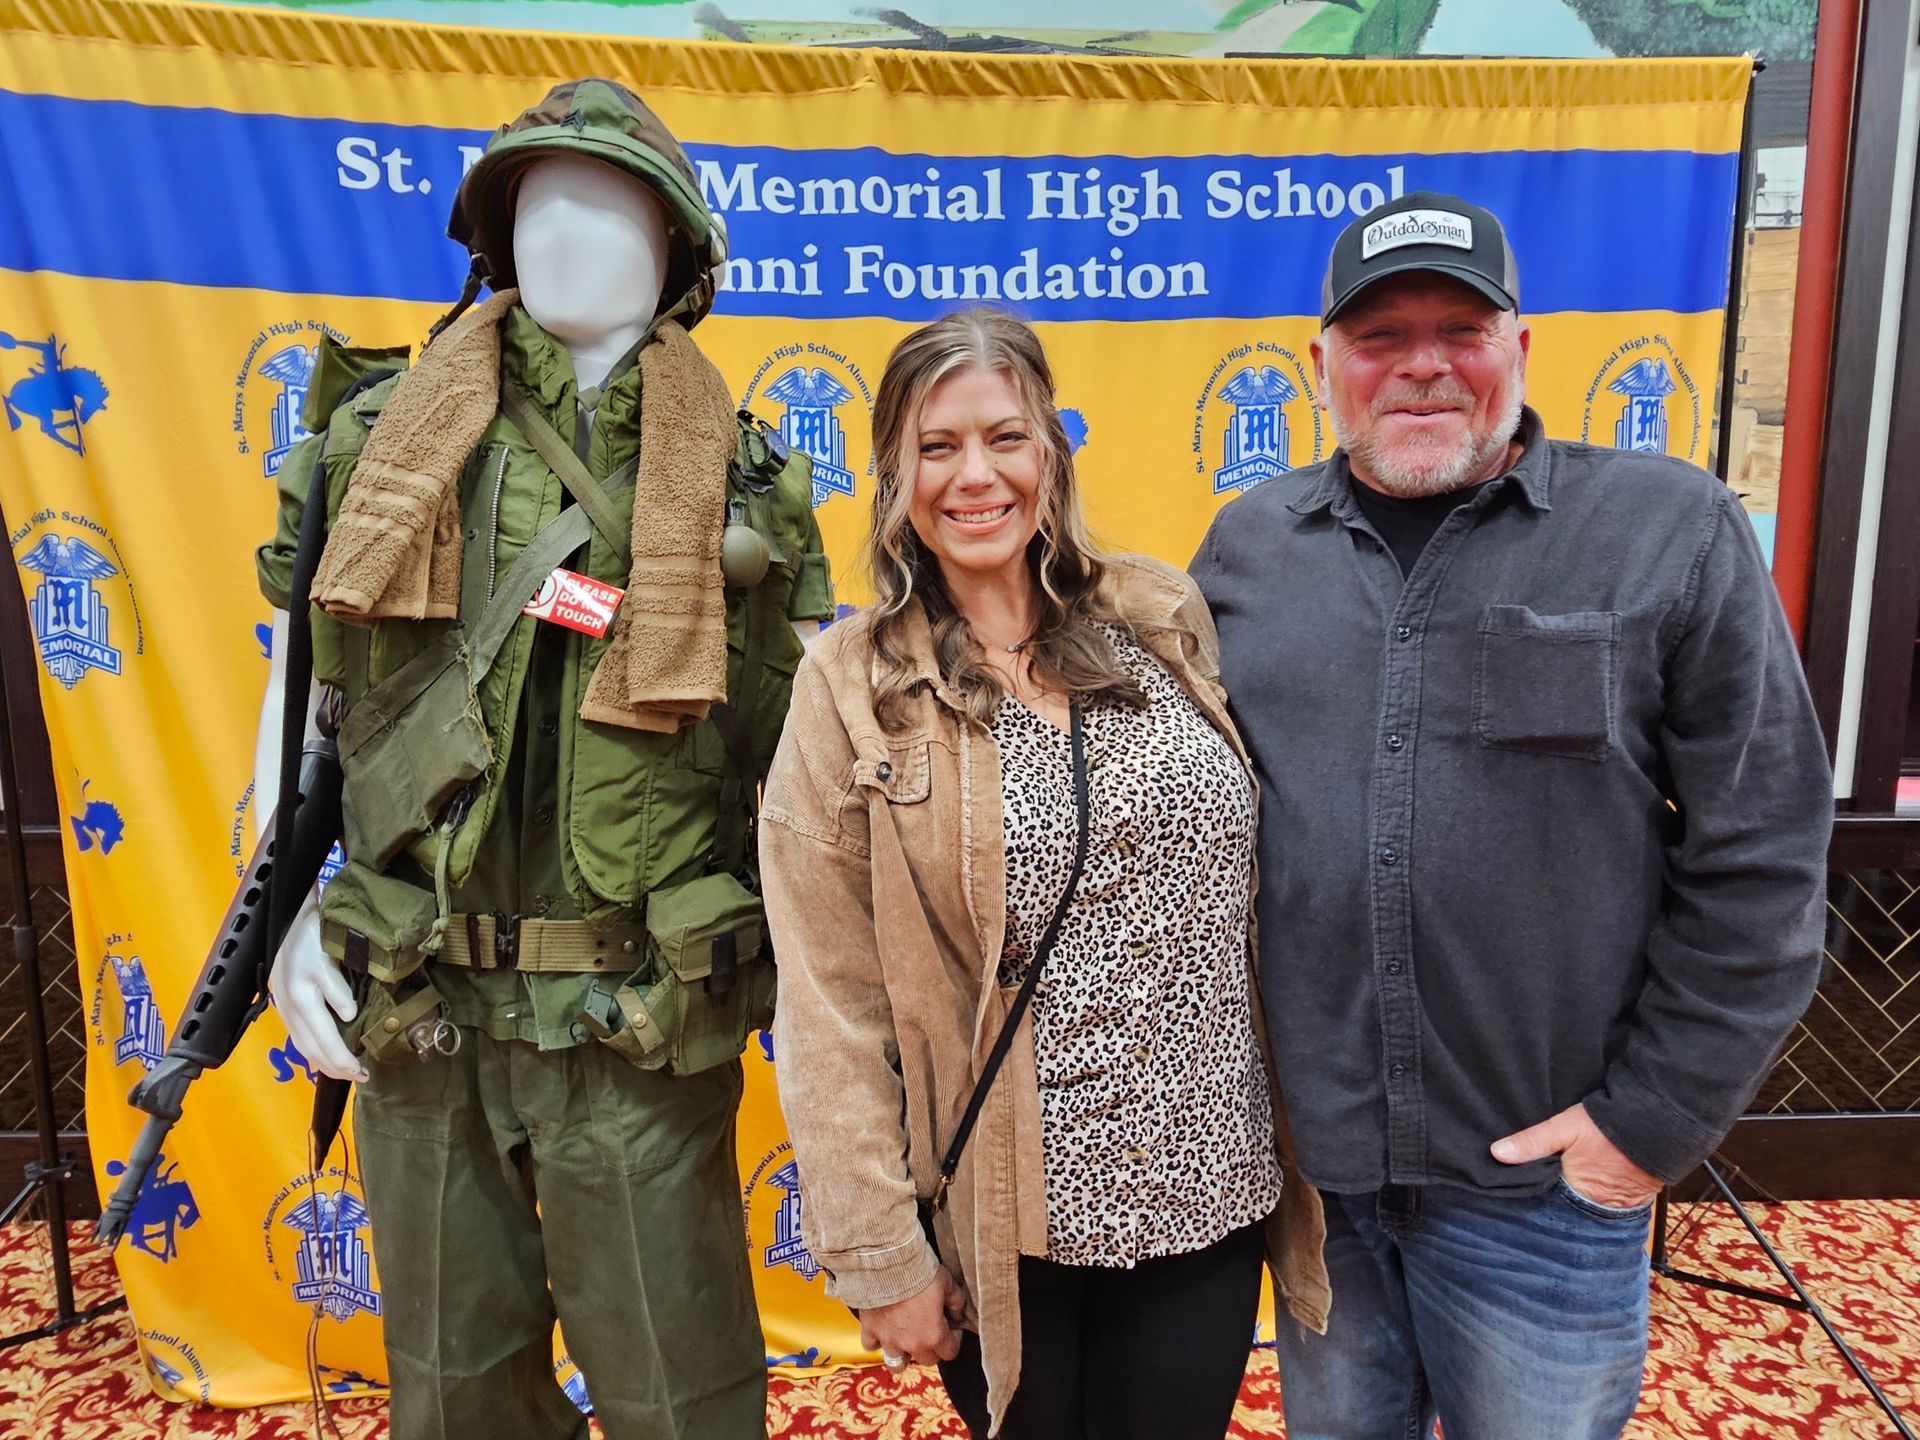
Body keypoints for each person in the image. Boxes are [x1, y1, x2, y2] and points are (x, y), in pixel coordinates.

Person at [1189, 191, 1833, 1440]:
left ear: (1521, 349)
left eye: (1460, 326)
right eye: (1379, 334)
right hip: (1323, 1180)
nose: (1423, 363)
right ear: (1323, 363)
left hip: (1545, 1191)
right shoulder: (1248, 549)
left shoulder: (1667, 532)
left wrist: (1642, 1131)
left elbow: (1764, 859)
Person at [255, 79, 833, 1440]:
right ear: (490, 240)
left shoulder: (747, 488)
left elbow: (798, 774)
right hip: (420, 996)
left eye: (611, 204)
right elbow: (297, 709)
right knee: (454, 1397)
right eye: (536, 205)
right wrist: (278, 922)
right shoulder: (376, 445)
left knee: (679, 1394)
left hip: (632, 1018)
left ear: (678, 250)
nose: (567, 234)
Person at [758, 306, 1330, 1440]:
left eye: (1006, 438)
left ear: (1052, 455)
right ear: (893, 477)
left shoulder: (1163, 619)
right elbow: (828, 995)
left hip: (1205, 1180)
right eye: (937, 447)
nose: (976, 476)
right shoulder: (850, 683)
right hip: (1008, 1209)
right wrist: (879, 1253)